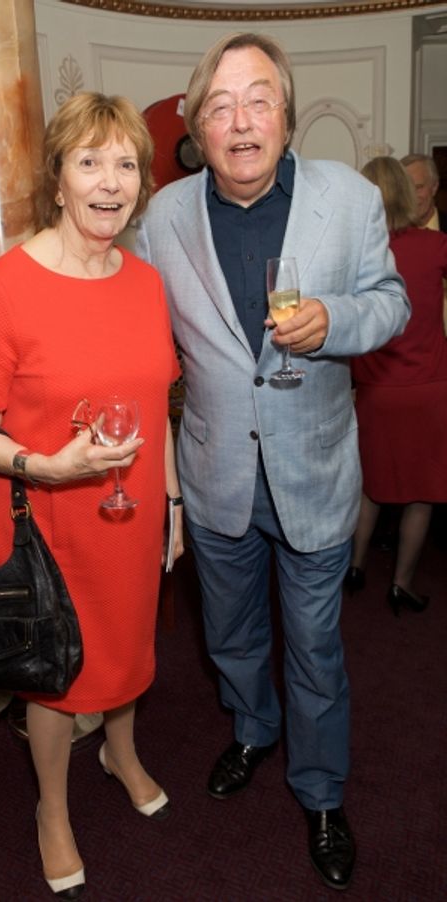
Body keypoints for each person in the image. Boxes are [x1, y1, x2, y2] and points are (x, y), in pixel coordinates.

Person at [135, 32, 409, 892]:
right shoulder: (163, 216)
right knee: (234, 637)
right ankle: (252, 729)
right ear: (195, 126)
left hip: (317, 472)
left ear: (286, 113)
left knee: (316, 648)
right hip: (216, 475)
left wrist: (337, 320)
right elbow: (134, 334)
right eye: (219, 105)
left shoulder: (350, 198)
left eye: (257, 100)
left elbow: (392, 302)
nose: (240, 120)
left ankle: (321, 792)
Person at [0, 92, 183, 899]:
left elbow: (159, 412)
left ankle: (120, 751)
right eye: (90, 162)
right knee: (55, 676)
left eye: (126, 164)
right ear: (57, 180)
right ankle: (52, 808)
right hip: (48, 521)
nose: (110, 181)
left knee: (128, 648)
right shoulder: (3, 288)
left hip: (133, 510)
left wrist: (175, 506)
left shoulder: (147, 284)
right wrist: (49, 468)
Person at [345, 156, 447, 613]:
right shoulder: (436, 245)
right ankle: (401, 584)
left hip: (373, 391)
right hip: (428, 388)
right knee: (421, 494)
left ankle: (355, 566)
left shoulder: (353, 255)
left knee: (369, 485)